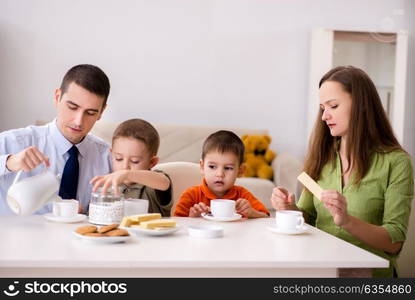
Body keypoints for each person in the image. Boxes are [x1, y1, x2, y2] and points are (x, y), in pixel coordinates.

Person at [271, 66, 414, 277]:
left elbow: (394, 241)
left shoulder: (396, 162)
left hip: (367, 276)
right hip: (321, 269)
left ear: (361, 105)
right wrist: (290, 208)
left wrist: (347, 221)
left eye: (333, 106)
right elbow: (308, 218)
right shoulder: (321, 156)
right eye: (322, 108)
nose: (324, 116)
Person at [0, 64, 112, 215]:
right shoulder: (14, 142)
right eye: (72, 107)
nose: (79, 121)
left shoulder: (108, 157)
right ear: (57, 97)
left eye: (90, 113)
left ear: (101, 112)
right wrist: (8, 162)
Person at [174, 130, 269, 218]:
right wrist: (192, 218)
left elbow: (266, 218)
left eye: (228, 168)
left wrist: (252, 213)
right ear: (202, 167)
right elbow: (177, 222)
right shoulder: (191, 195)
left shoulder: (242, 195)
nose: (220, 174)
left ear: (240, 171)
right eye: (212, 167)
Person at [90, 119, 172, 216]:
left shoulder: (152, 185)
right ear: (111, 155)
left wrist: (128, 174)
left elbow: (164, 183)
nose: (125, 167)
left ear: (152, 162)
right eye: (119, 159)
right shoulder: (109, 186)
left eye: (135, 161)